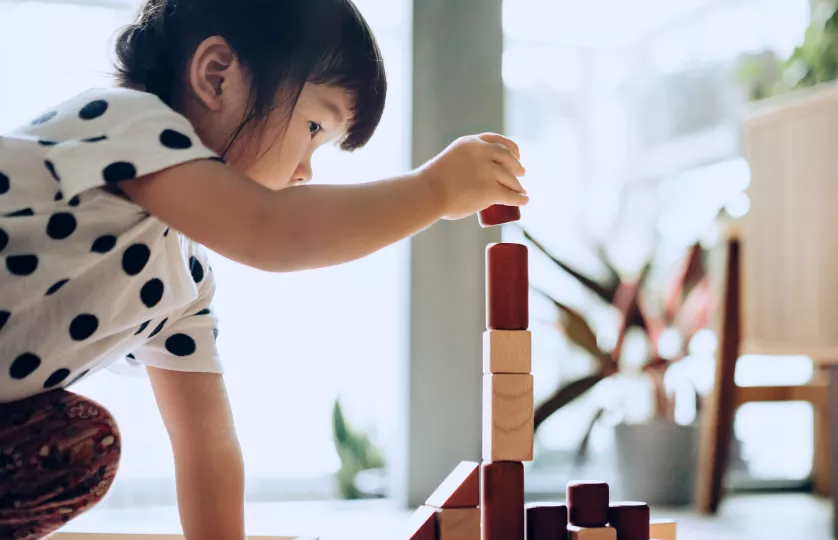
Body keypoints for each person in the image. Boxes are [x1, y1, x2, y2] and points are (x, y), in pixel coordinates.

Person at [0, 0, 527, 537]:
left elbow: (207, 448)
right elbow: (270, 231)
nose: (305, 171)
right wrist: (433, 191)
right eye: (314, 125)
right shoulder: (122, 122)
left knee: (83, 443)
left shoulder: (181, 281)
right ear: (217, 75)